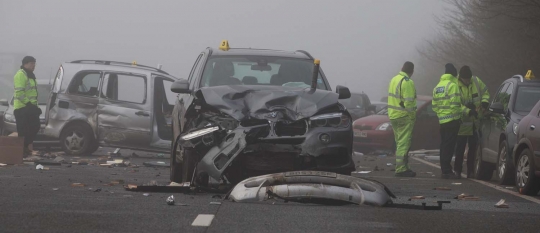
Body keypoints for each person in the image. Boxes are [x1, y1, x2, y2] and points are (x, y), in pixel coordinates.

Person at [455, 66, 490, 178]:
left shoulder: (476, 81)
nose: (468, 81)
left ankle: (470, 170)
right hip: (462, 123)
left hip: (475, 122)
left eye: (469, 79)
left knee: (473, 147)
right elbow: (456, 105)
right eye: (466, 80)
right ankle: (457, 170)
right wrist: (468, 111)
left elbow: (485, 92)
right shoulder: (455, 85)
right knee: (460, 148)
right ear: (461, 78)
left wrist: (484, 103)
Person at [432, 63, 463, 179]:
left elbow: (434, 105)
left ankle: (444, 169)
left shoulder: (438, 86)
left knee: (444, 145)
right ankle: (446, 171)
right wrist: (457, 117)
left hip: (442, 121)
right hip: (452, 120)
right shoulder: (453, 85)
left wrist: (441, 115)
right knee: (449, 147)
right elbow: (455, 104)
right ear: (454, 74)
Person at [387, 61, 417, 177]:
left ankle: (405, 166)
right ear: (412, 71)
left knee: (399, 142)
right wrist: (412, 117)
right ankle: (401, 168)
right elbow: (409, 102)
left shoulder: (394, 79)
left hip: (393, 115)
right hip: (404, 116)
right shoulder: (407, 82)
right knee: (404, 143)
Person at [13, 56, 41, 156]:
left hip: (30, 108)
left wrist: (35, 107)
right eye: (31, 64)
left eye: (34, 64)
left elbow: (33, 93)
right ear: (25, 64)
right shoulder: (20, 74)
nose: (33, 66)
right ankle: (22, 150)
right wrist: (29, 104)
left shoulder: (31, 75)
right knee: (23, 130)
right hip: (22, 108)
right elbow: (19, 93)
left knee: (35, 126)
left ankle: (25, 147)